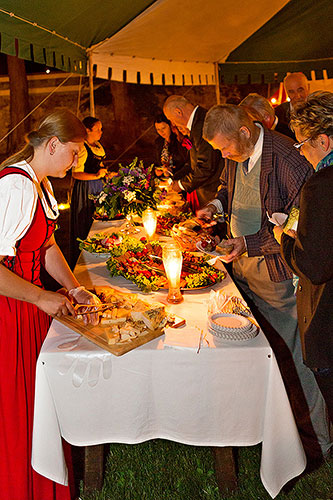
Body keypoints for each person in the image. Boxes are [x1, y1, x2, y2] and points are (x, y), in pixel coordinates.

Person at [197, 104, 331, 462]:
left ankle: (319, 439)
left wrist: (248, 243)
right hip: (242, 266)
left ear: (245, 131)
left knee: (295, 355)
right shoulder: (234, 151)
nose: (222, 155)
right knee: (261, 352)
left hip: (276, 274)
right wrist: (215, 206)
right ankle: (272, 423)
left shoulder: (289, 158)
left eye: (225, 148)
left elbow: (296, 226)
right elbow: (228, 187)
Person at [0, 109, 101, 500]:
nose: (77, 161)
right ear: (53, 144)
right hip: (11, 311)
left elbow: (46, 246)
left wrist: (75, 288)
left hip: (28, 307)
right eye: (75, 153)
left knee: (39, 403)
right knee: (17, 408)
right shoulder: (14, 187)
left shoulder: (40, 184)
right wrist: (42, 297)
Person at [274, 91, 333, 423]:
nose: (302, 153)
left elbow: (313, 264)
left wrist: (285, 239)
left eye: (302, 144)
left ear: (323, 141)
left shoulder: (322, 185)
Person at [163, 95, 224, 209]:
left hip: (213, 192)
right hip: (207, 191)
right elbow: (193, 162)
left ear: (178, 112)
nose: (174, 124)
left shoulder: (201, 124)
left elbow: (206, 166)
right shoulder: (198, 122)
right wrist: (175, 178)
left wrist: (181, 184)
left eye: (171, 119)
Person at [70, 116, 108, 267]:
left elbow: (98, 164)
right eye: (97, 129)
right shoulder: (82, 148)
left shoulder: (96, 146)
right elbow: (75, 173)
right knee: (87, 219)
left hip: (98, 186)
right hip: (86, 188)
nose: (101, 132)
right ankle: (84, 258)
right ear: (87, 130)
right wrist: (96, 175)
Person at [275, 72, 310, 140]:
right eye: (291, 92)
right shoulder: (277, 115)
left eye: (300, 90)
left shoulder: (320, 110)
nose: (298, 96)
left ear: (308, 87)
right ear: (287, 93)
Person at [154, 113, 189, 179]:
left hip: (181, 179)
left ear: (170, 126)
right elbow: (157, 162)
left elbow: (187, 163)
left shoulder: (179, 140)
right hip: (165, 180)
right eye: (158, 129)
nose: (161, 132)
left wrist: (172, 170)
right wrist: (157, 171)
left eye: (163, 128)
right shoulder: (159, 142)